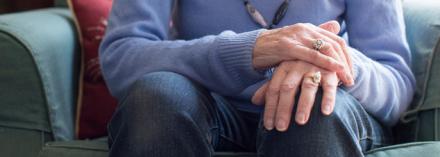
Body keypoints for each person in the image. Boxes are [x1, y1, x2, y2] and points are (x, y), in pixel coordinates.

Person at [99, 0, 415, 156]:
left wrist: (328, 59)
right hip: (208, 106)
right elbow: (123, 58)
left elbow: (396, 83)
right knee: (155, 98)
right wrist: (249, 50)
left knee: (311, 102)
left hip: (324, 109)